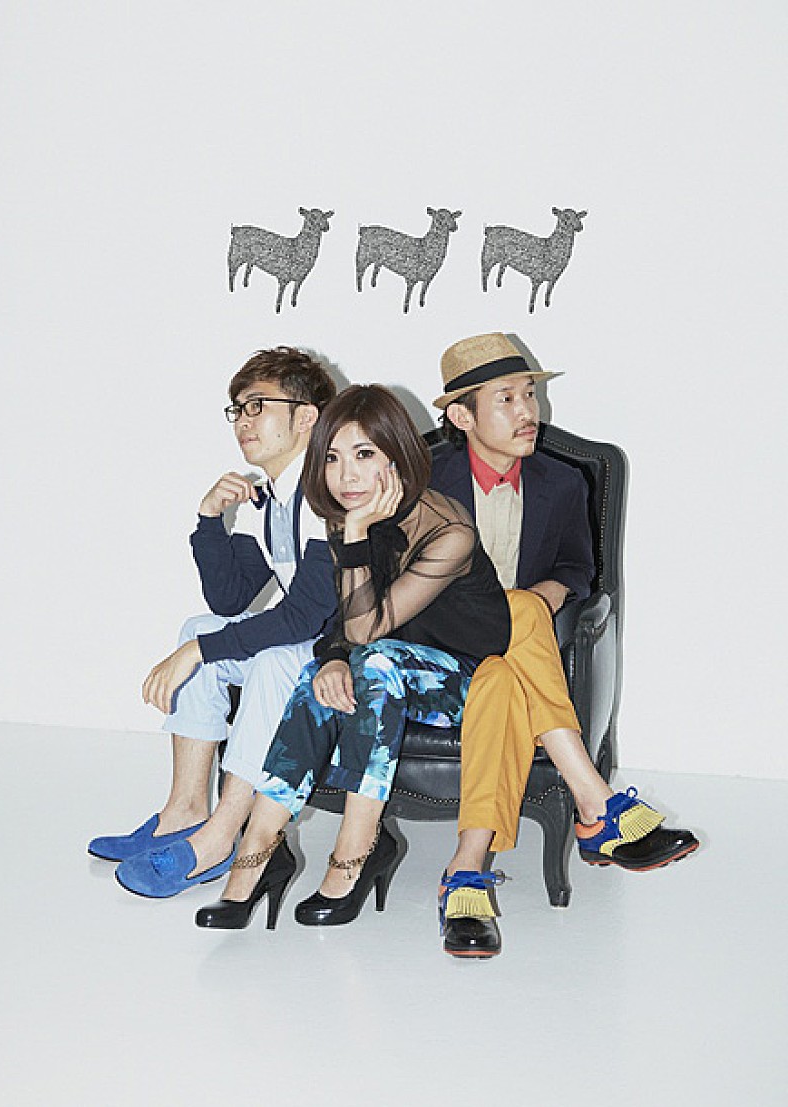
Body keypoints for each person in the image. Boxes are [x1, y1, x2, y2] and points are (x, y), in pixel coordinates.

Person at [192, 383, 516, 931]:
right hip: (380, 666)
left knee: (378, 664)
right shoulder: (343, 513)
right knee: (320, 678)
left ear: (397, 456)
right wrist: (334, 660)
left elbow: (367, 626)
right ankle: (255, 857)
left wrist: (358, 533)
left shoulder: (449, 531)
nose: (346, 476)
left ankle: (355, 852)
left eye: (364, 455)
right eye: (333, 458)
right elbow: (340, 623)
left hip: (467, 683)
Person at [429, 332, 698, 958]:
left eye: (530, 394)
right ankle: (595, 803)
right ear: (462, 417)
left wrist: (541, 599)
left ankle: (466, 869)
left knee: (504, 670)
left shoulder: (563, 481)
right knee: (516, 613)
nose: (528, 411)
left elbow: (578, 569)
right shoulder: (425, 480)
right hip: (442, 644)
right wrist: (518, 611)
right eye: (506, 399)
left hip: (512, 660)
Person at [87, 346, 339, 898]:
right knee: (198, 628)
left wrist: (199, 653)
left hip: (351, 654)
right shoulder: (271, 497)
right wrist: (209, 520)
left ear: (306, 417)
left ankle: (222, 835)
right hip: (311, 643)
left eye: (258, 406)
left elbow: (306, 617)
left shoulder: (328, 490)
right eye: (238, 409)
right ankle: (183, 810)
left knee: (267, 659)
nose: (244, 421)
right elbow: (229, 600)